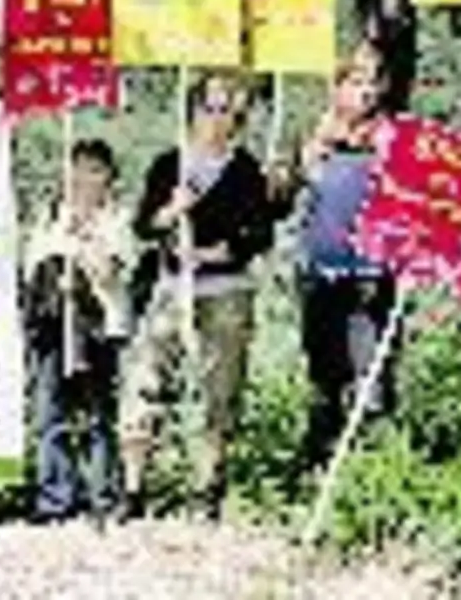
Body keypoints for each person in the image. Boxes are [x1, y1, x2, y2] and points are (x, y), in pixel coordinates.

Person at [119, 71, 277, 522]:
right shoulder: (170, 163)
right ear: (193, 110)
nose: (218, 118)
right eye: (211, 107)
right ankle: (132, 488)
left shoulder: (246, 170)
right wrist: (173, 211)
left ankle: (207, 488)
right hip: (171, 288)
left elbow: (258, 235)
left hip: (226, 291)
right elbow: (144, 225)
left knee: (218, 390)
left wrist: (212, 250)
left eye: (229, 110)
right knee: (145, 379)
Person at [270, 45, 399, 479]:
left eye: (371, 82)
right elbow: (278, 202)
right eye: (355, 81)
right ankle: (319, 469)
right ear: (337, 86)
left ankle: (375, 475)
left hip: (372, 276)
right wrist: (299, 168)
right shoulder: (312, 134)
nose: (365, 91)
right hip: (320, 274)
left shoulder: (391, 138)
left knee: (372, 380)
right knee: (325, 376)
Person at [21, 139, 134, 525]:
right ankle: (55, 496)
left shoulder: (118, 220)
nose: (84, 179)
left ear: (109, 179)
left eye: (95, 170)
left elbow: (109, 272)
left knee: (99, 414)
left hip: (101, 327)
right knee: (50, 412)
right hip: (54, 326)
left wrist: (84, 241)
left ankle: (103, 496)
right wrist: (58, 248)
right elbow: (31, 270)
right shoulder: (48, 217)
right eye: (78, 169)